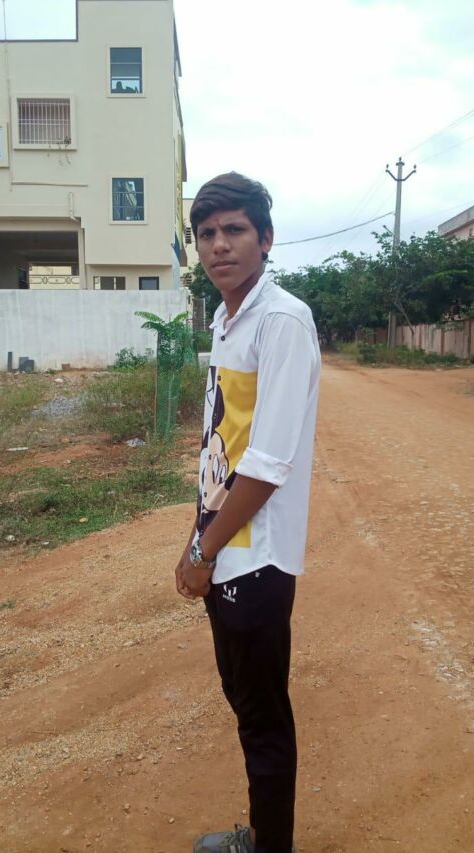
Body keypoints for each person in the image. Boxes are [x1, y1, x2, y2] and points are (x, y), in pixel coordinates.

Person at [174, 172, 321, 853]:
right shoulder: (226, 319)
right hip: (224, 547)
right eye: (206, 233)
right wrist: (197, 537)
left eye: (234, 230)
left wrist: (202, 551)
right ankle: (263, 836)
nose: (219, 245)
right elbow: (220, 445)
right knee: (243, 699)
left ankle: (269, 846)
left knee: (263, 718)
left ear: (266, 238)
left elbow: (265, 463)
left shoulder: (282, 321)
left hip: (256, 557)